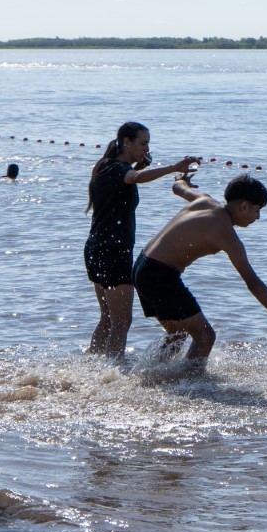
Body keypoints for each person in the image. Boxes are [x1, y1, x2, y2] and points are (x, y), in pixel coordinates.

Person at [132, 172, 267, 367]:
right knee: (205, 336)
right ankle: (192, 386)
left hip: (141, 267)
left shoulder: (204, 200)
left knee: (177, 335)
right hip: (160, 275)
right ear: (244, 206)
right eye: (257, 211)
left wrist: (183, 179)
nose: (258, 217)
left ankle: (149, 374)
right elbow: (253, 282)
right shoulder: (226, 233)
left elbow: (178, 187)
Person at [84, 122, 200, 360]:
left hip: (96, 248)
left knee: (108, 317)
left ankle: (93, 364)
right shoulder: (117, 169)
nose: (146, 147)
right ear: (127, 142)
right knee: (121, 320)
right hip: (113, 250)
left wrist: (140, 165)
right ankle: (113, 369)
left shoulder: (106, 166)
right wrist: (172, 168)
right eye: (143, 143)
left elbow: (132, 176)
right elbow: (135, 177)